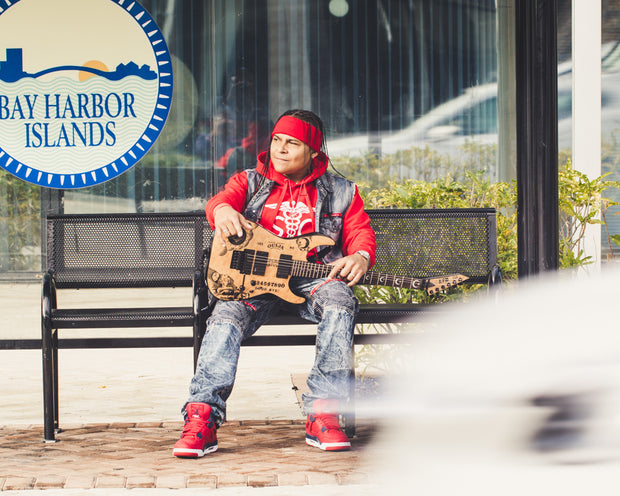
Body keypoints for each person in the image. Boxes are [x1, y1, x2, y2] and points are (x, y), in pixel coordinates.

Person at [173, 109, 376, 458]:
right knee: (225, 317)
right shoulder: (250, 181)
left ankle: (322, 412)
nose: (280, 149)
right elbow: (222, 201)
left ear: (313, 151)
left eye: (292, 143)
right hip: (254, 281)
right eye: (277, 140)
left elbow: (360, 231)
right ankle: (201, 418)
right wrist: (221, 211)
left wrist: (359, 256)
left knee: (341, 301)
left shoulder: (342, 191)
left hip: (313, 278)